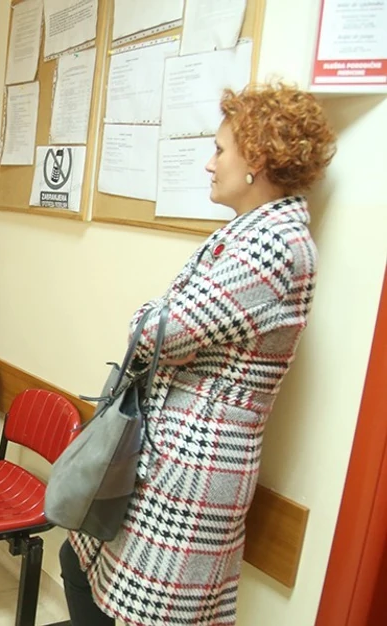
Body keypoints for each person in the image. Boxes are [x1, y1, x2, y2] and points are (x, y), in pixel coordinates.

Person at [61, 83, 336, 626]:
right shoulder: (250, 234)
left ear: (256, 159)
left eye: (220, 150)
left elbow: (154, 333)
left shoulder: (273, 245)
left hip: (194, 463)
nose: (210, 164)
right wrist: (162, 324)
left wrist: (152, 316)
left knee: (143, 611)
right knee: (82, 563)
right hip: (173, 450)